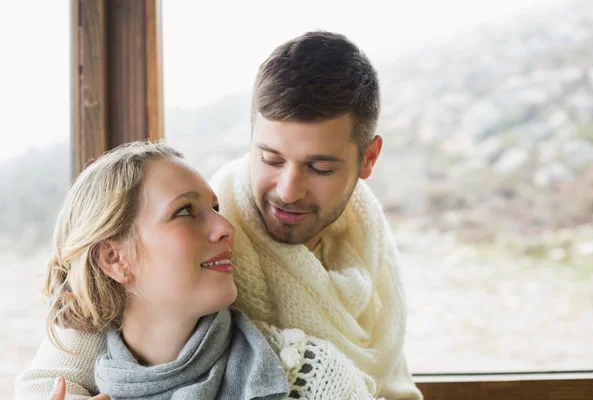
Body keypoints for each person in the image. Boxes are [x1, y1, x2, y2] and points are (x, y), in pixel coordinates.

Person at [16, 31, 422, 400]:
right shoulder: (190, 245)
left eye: (320, 168)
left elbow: (392, 381)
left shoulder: (366, 249)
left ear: (367, 159)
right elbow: (57, 368)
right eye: (270, 158)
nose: (288, 190)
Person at [26, 140, 375, 400]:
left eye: (215, 207)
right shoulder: (73, 381)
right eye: (185, 212)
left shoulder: (314, 379)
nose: (225, 227)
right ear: (116, 260)